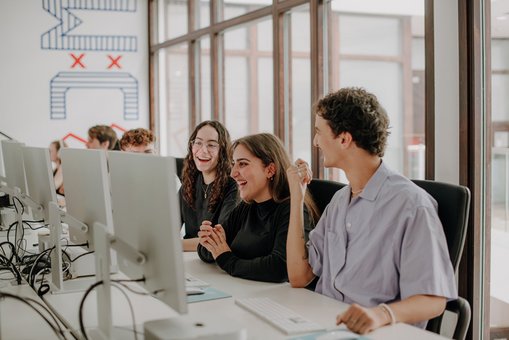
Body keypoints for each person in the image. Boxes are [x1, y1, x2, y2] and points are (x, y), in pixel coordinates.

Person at [286, 87, 457, 334]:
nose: (315, 142)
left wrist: (381, 315)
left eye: (318, 132)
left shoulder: (411, 205)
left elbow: (434, 300)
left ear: (344, 139)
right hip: (325, 326)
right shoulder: (339, 201)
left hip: (377, 333)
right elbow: (299, 276)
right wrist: (297, 198)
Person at [197, 133, 319, 283]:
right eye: (234, 163)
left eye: (242, 164)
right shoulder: (247, 207)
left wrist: (227, 259)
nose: (233, 173)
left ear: (270, 170)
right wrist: (210, 241)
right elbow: (208, 253)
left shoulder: (292, 209)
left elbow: (279, 267)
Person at [180, 121, 238, 251]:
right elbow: (168, 229)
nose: (203, 150)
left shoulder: (233, 185)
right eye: (198, 142)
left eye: (211, 145)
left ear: (222, 151)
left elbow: (217, 240)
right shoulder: (189, 183)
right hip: (188, 259)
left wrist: (174, 245)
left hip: (214, 262)